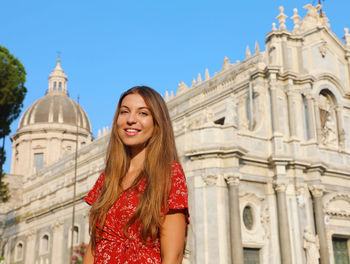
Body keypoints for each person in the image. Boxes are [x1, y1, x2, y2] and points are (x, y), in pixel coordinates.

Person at [83, 86, 189, 264]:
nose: (131, 119)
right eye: (124, 112)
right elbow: (94, 248)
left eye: (143, 113)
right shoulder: (107, 179)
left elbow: (173, 256)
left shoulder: (169, 174)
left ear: (157, 123)